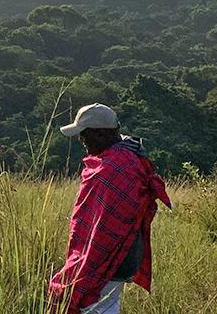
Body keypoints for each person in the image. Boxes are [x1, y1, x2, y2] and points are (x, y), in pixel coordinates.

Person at [49, 104, 171, 314]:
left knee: (93, 305)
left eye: (84, 134)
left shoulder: (112, 168)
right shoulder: (126, 155)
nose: (82, 141)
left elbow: (107, 229)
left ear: (100, 133)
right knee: (106, 304)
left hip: (110, 255)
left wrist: (88, 262)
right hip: (123, 253)